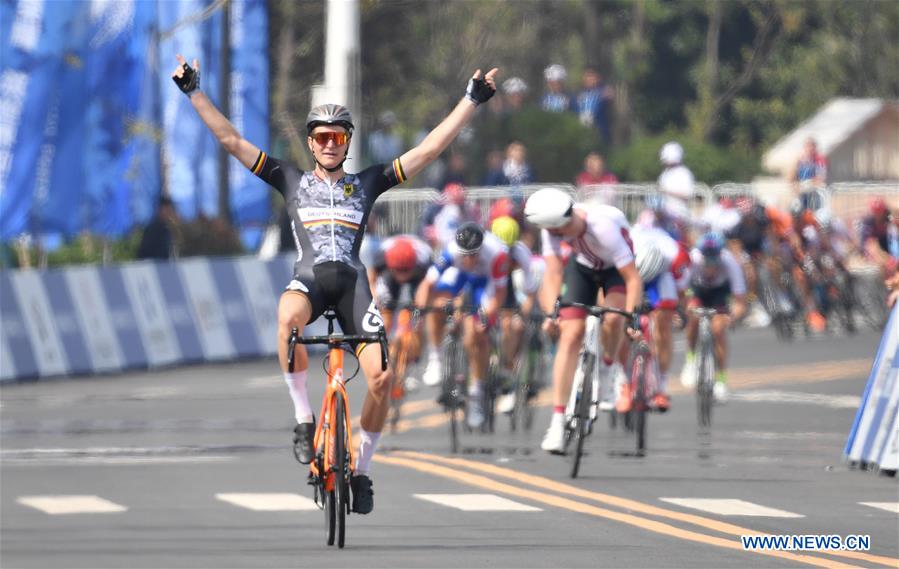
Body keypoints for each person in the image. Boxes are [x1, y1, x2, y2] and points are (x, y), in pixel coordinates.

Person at [172, 54, 498, 514]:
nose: (329, 144)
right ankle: (305, 418)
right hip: (308, 280)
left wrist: (471, 100)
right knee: (286, 319)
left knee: (383, 378)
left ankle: (362, 470)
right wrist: (193, 91)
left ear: (347, 142)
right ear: (311, 142)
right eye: (322, 137)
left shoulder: (367, 182)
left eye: (337, 137)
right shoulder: (289, 177)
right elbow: (230, 139)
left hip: (352, 286)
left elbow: (427, 151)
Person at [524, 188, 643, 454]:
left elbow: (633, 279)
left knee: (613, 320)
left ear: (566, 221)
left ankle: (609, 369)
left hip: (615, 272)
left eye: (558, 232)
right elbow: (553, 274)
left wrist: (633, 317)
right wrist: (552, 313)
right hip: (583, 268)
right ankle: (556, 422)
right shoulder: (551, 228)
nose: (556, 237)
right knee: (570, 334)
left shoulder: (603, 228)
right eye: (552, 233)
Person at [416, 223, 509, 429]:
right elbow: (426, 284)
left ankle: (477, 392)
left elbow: (500, 294)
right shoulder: (450, 251)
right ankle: (436, 359)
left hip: (485, 282)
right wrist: (420, 311)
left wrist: (485, 317)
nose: (468, 259)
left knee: (475, 333)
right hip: (460, 276)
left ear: (481, 249)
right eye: (464, 254)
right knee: (434, 306)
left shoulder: (497, 254)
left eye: (473, 254)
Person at [679, 232, 747, 403]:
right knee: (693, 317)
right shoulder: (693, 260)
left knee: (718, 329)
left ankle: (721, 380)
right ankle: (691, 360)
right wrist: (686, 307)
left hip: (719, 294)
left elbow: (740, 302)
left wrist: (730, 318)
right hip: (698, 291)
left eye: (714, 262)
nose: (710, 267)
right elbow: (682, 291)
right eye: (707, 262)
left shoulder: (729, 262)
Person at [490, 215, 540, 413]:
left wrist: (523, 315)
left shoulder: (521, 253)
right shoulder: (486, 250)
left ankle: (507, 369)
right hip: (488, 283)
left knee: (513, 325)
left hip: (508, 287)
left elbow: (529, 292)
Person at [655, 141, 695, 243]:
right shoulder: (665, 173)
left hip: (679, 214)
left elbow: (687, 194)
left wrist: (667, 191)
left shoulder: (684, 173)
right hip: (663, 213)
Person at [575, 67, 613, 145]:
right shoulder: (580, 94)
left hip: (600, 130)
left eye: (591, 76)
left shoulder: (603, 90)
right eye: (586, 76)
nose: (588, 79)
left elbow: (610, 96)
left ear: (598, 78)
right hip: (582, 132)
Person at [137, 196, 178, 260]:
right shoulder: (151, 230)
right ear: (159, 210)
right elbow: (143, 255)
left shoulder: (173, 229)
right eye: (166, 210)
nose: (169, 214)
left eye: (170, 211)